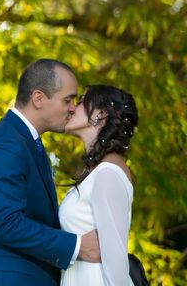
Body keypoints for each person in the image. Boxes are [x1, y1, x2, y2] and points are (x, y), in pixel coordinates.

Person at [0, 58, 101, 286]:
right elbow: (8, 223)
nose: (74, 107)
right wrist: (77, 246)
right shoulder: (4, 144)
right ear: (38, 98)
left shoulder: (25, 142)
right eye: (68, 99)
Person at [60, 85, 138, 286]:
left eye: (80, 101)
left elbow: (116, 268)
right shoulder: (96, 171)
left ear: (100, 114)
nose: (71, 108)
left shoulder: (108, 173)